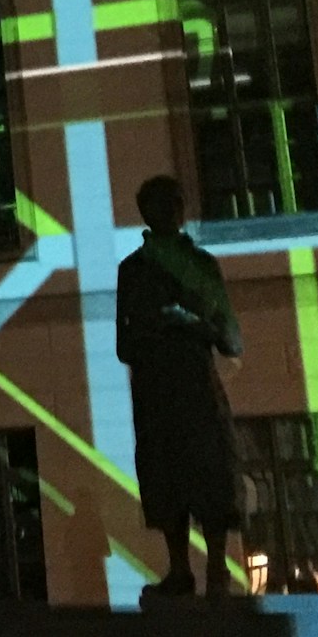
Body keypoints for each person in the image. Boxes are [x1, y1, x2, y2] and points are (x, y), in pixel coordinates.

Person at [116, 175, 243, 601]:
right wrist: (157, 328)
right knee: (164, 474)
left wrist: (191, 323)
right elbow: (124, 345)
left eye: (172, 201)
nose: (169, 210)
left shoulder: (203, 266)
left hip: (194, 383)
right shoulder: (132, 271)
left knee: (211, 471)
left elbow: (230, 339)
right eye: (158, 203)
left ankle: (217, 570)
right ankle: (180, 570)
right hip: (156, 390)